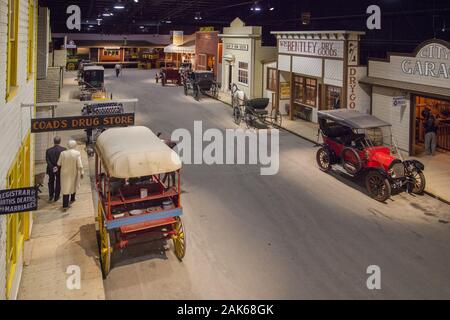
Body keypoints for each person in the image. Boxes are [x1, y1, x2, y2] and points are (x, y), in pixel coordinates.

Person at [57, 140, 84, 211]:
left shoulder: (62, 153)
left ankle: (65, 204)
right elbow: (79, 165)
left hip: (64, 174)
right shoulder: (77, 153)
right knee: (73, 185)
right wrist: (81, 173)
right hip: (73, 173)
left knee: (66, 188)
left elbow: (59, 163)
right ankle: (72, 198)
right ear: (75, 145)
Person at [46, 136, 66, 202]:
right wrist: (57, 167)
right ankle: (56, 197)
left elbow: (47, 160)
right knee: (58, 182)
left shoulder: (48, 150)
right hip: (59, 168)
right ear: (60, 141)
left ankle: (51, 196)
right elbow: (63, 160)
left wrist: (53, 168)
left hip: (50, 169)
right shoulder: (63, 149)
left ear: (53, 141)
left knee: (51, 182)